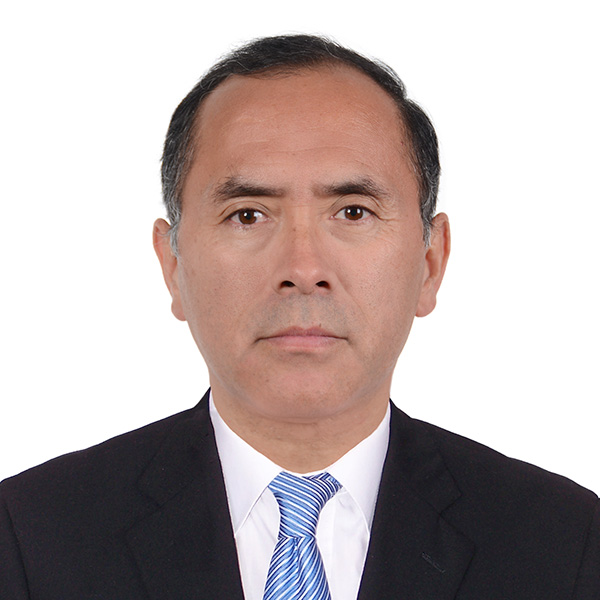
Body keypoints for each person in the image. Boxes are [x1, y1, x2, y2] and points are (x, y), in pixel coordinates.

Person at [0, 34, 598, 600]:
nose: (304, 268)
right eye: (248, 214)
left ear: (430, 261)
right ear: (173, 264)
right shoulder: (29, 535)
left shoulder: (565, 544)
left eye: (354, 212)